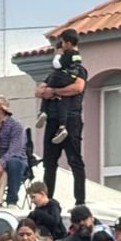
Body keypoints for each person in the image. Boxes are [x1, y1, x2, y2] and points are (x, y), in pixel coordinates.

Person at [35, 29, 86, 206]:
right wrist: (47, 92)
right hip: (52, 120)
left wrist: (55, 91)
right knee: (49, 162)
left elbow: (78, 88)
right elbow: (39, 91)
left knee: (75, 161)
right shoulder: (53, 74)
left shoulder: (79, 70)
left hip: (71, 119)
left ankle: (80, 201)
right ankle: (48, 200)